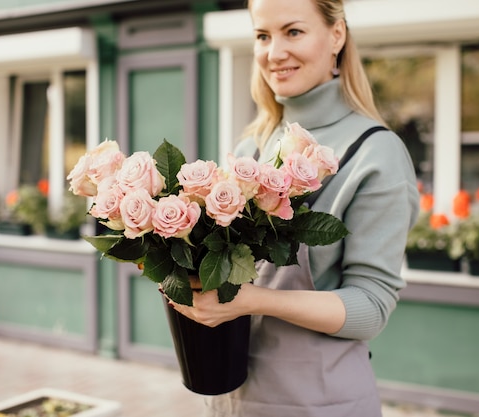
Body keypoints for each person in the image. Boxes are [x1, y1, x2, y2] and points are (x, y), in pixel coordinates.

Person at [169, 0, 420, 416]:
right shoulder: (254, 146)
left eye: (293, 32)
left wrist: (254, 300)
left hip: (322, 402)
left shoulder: (375, 154)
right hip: (234, 399)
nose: (274, 52)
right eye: (262, 36)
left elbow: (371, 308)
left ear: (336, 35)